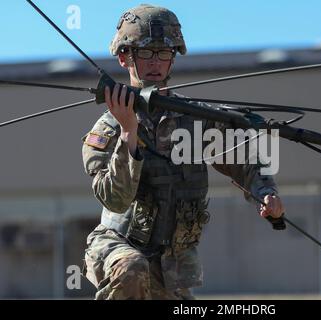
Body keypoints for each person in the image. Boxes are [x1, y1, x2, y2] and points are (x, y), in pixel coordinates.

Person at [81, 4, 285, 300]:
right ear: (125, 57)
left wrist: (266, 194)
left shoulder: (195, 119)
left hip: (171, 265)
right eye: (145, 52)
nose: (156, 62)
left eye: (164, 53)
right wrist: (129, 132)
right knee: (132, 268)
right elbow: (115, 198)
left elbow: (243, 159)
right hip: (118, 247)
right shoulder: (108, 129)